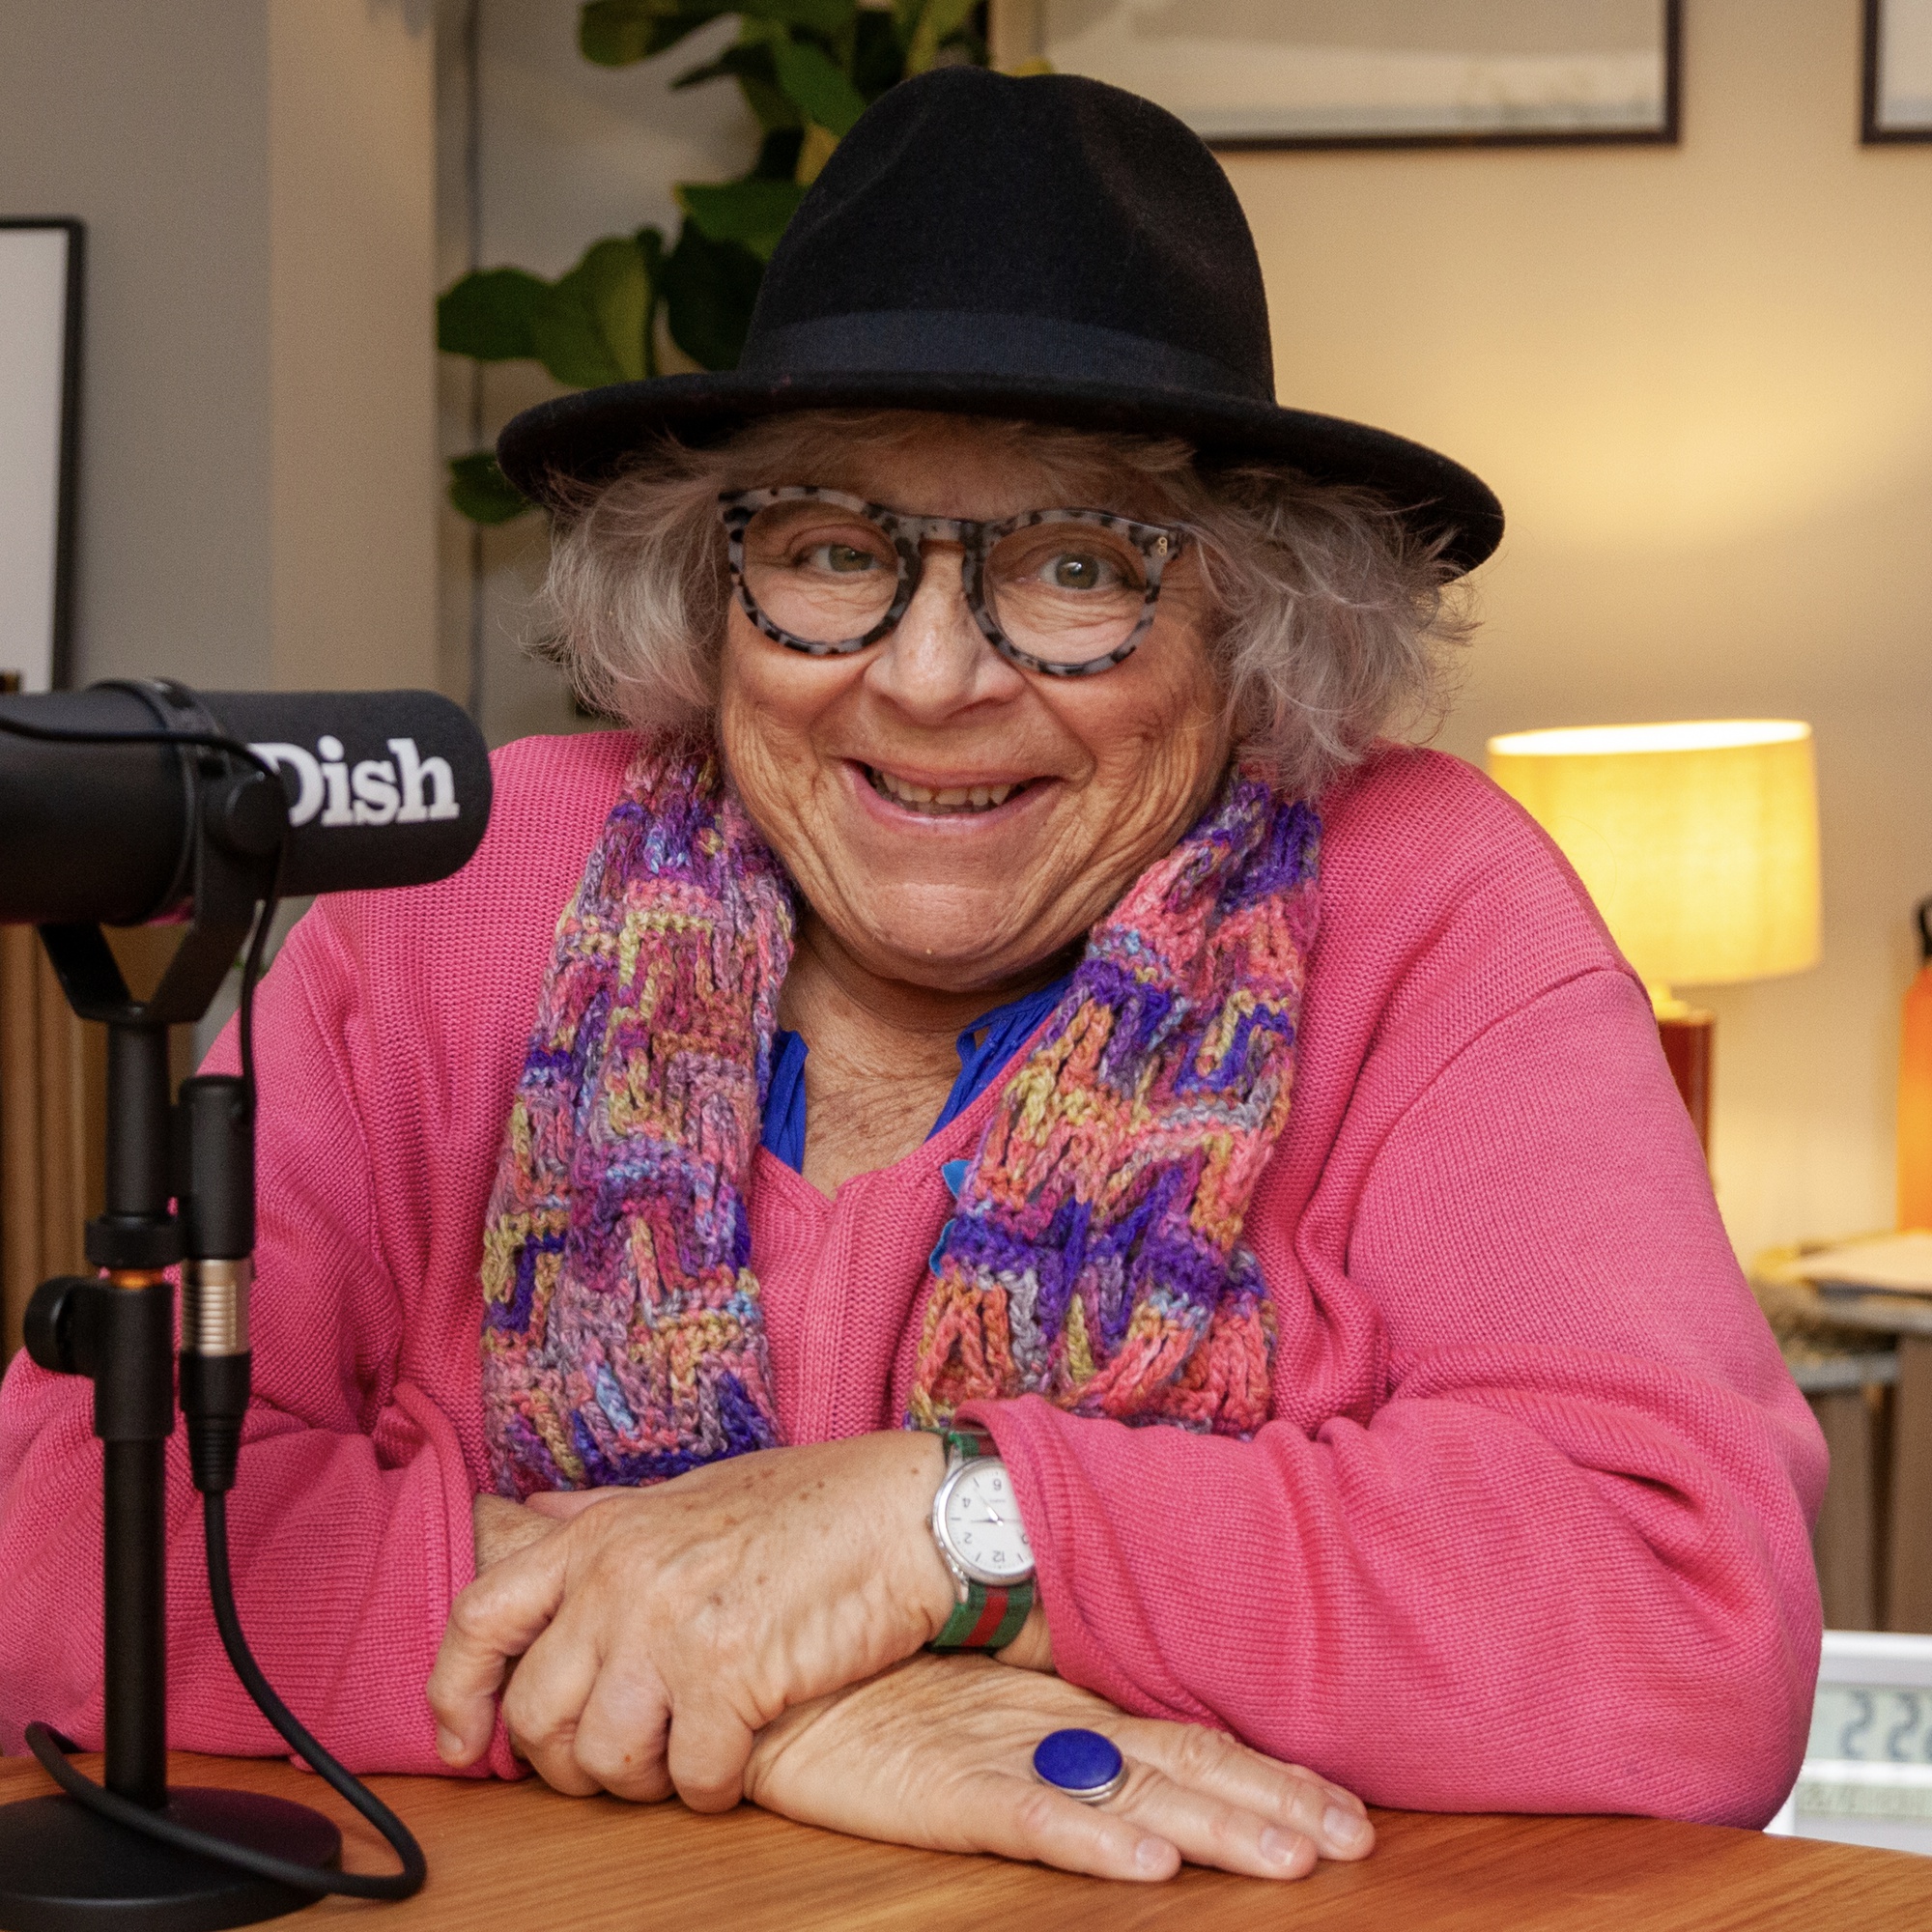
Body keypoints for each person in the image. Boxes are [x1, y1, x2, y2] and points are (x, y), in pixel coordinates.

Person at [0, 70, 1824, 1885]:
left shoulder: (1431, 908)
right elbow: (64, 1540)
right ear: (708, 592)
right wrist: (784, 1700)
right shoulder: (454, 896)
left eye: (1079, 565)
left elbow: (1683, 1622)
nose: (932, 677)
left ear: (1260, 617)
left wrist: (938, 1535)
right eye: (830, 552)